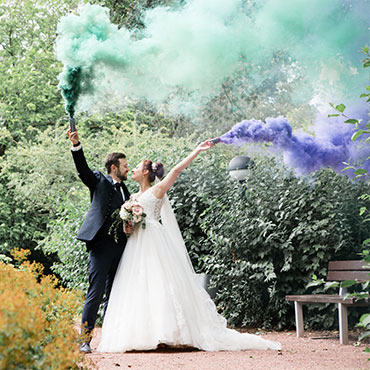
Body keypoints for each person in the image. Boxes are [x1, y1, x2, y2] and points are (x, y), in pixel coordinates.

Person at [98, 139, 281, 352]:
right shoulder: (131, 197)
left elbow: (176, 170)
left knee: (161, 284)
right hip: (137, 245)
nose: (133, 170)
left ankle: (168, 334)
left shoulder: (157, 190)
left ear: (147, 172)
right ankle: (142, 334)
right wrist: (128, 226)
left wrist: (197, 151)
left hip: (155, 243)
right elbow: (129, 225)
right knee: (138, 285)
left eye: (137, 167)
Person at [67, 128, 132, 353]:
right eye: (125, 166)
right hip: (100, 245)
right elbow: (82, 170)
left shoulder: (126, 190)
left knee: (115, 292)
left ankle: (110, 339)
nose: (128, 169)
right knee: (96, 292)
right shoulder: (98, 180)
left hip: (121, 246)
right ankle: (85, 340)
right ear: (113, 167)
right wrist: (76, 145)